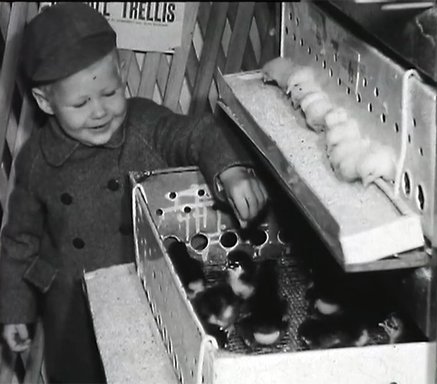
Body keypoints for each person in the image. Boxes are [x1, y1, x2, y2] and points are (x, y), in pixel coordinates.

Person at [0, 3, 268, 383]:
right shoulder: (35, 160)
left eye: (109, 92)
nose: (99, 112)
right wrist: (15, 308)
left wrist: (232, 170)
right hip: (72, 310)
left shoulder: (144, 123)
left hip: (146, 295)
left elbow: (196, 134)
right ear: (45, 103)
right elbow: (18, 242)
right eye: (80, 103)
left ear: (122, 75)